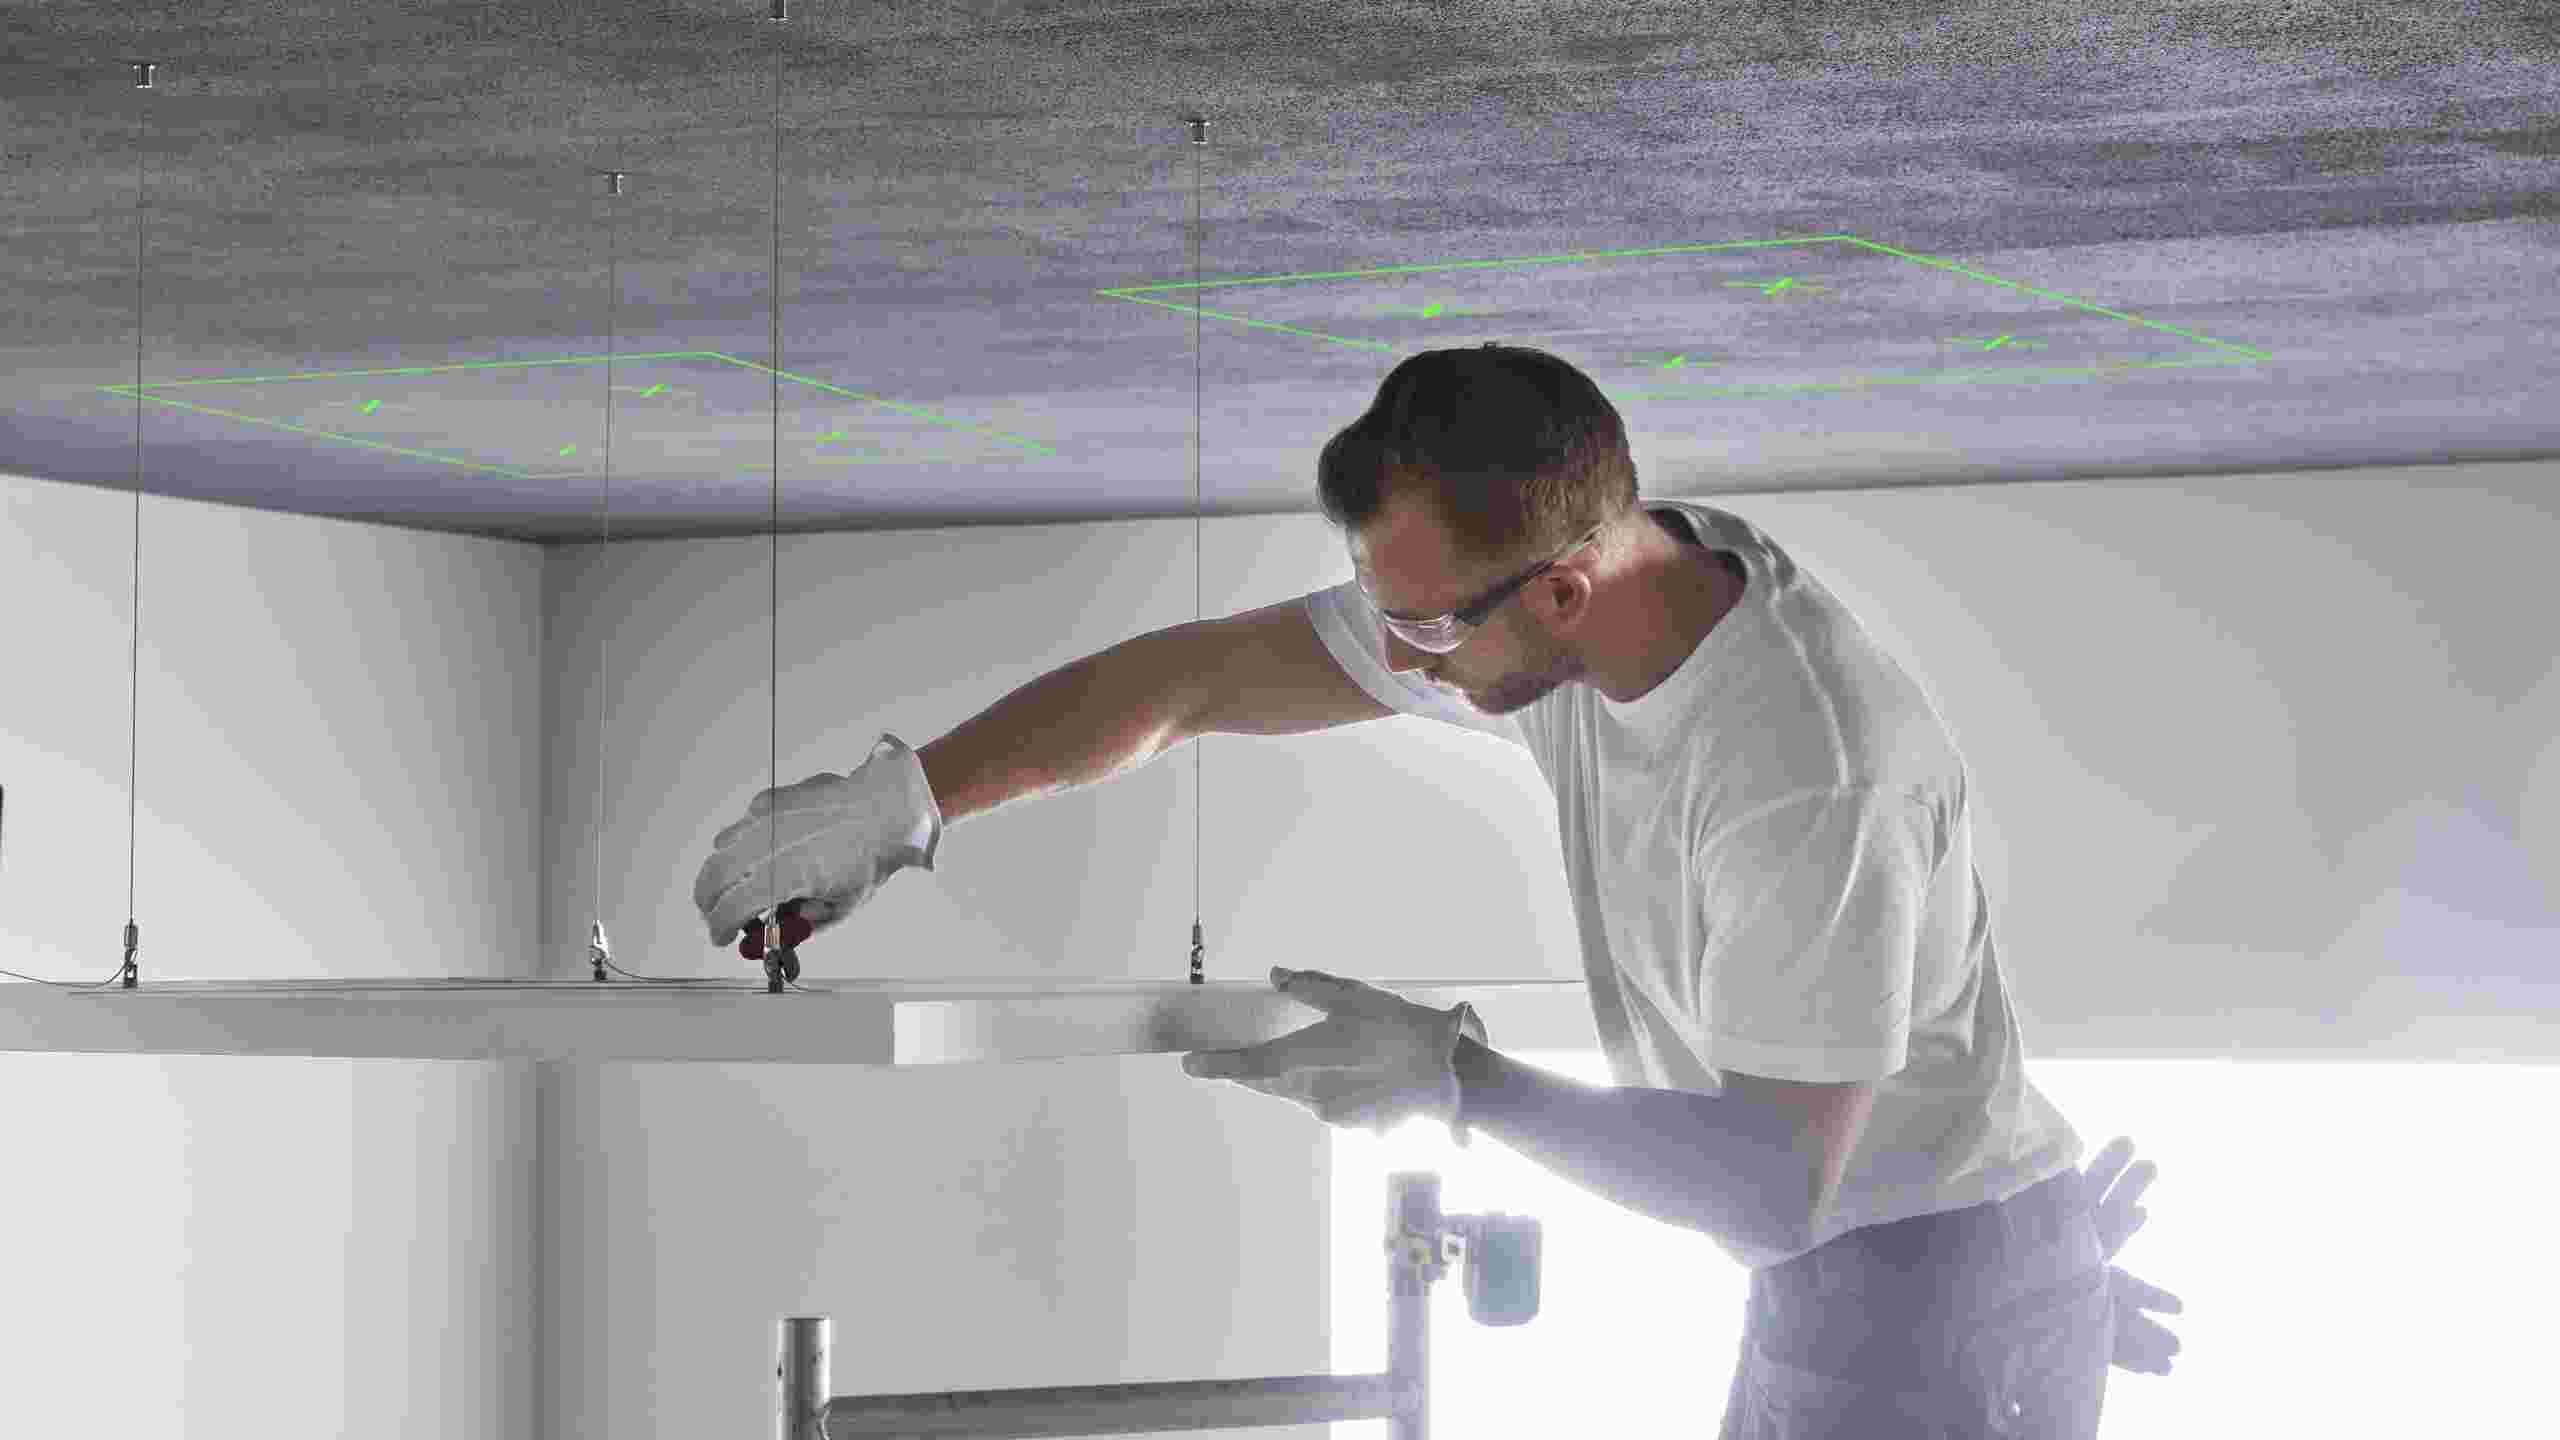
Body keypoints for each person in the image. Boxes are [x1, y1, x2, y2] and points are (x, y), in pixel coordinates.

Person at [692, 345, 2183, 1437]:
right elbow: (1190, 679)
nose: (1395, 665)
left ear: (1563, 590)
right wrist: (905, 801)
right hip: (1895, 1268)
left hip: (1912, 1282)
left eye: (1417, 633)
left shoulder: (1804, 772)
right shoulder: (1583, 594)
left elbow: (1767, 1186)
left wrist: (1457, 1081)